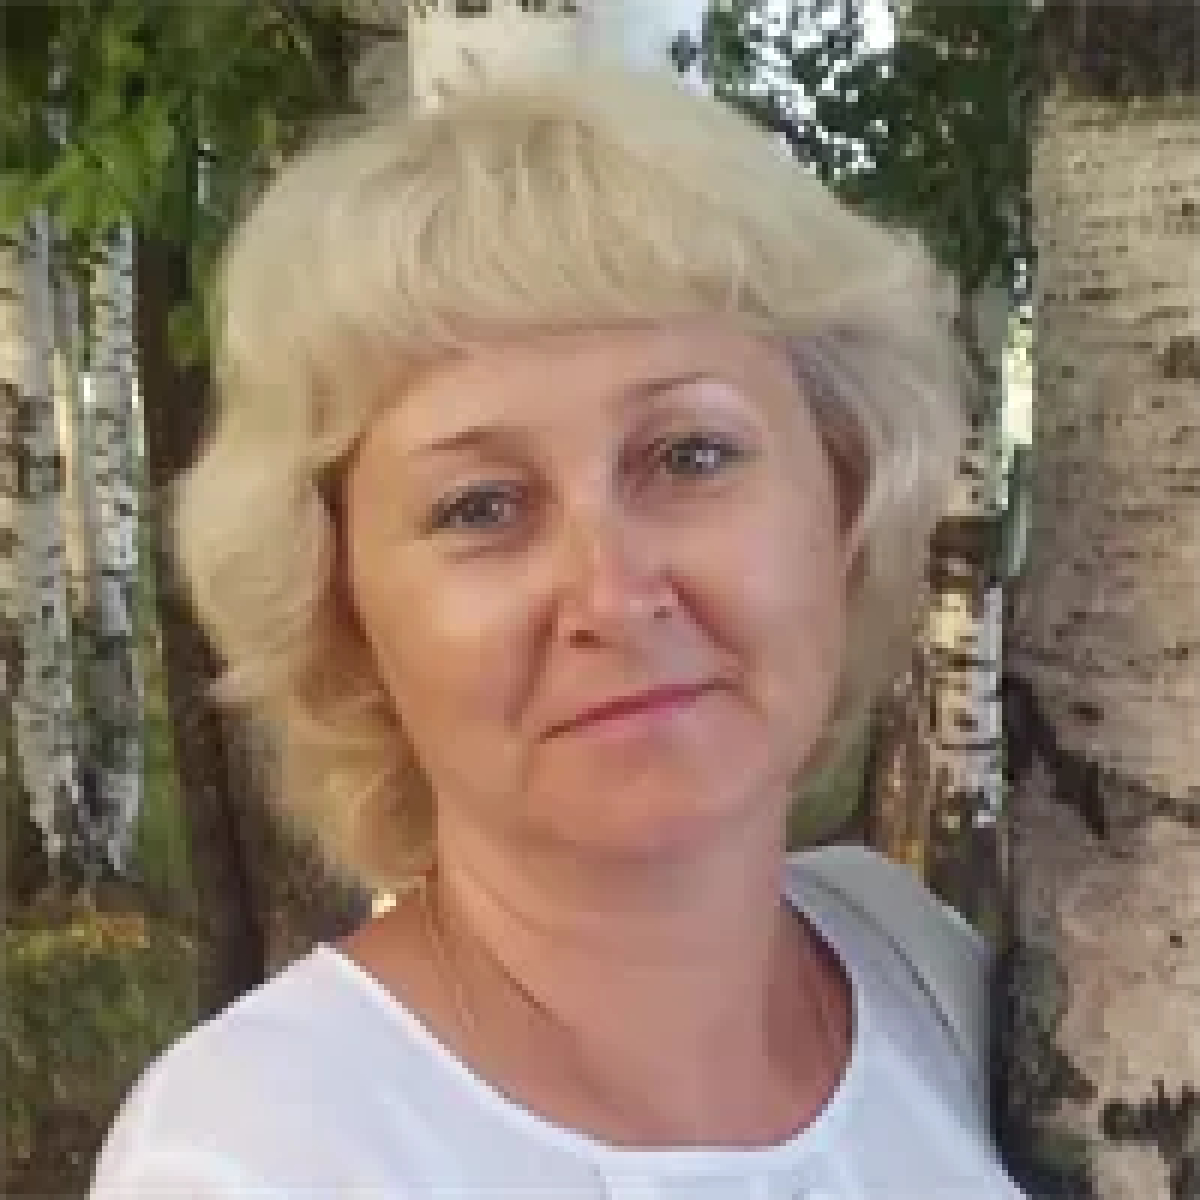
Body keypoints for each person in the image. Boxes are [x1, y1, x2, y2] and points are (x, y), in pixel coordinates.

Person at [89, 66, 1024, 1198]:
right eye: (480, 507)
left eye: (691, 455)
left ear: (845, 497)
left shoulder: (924, 973)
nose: (615, 595)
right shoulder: (259, 1159)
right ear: (341, 609)